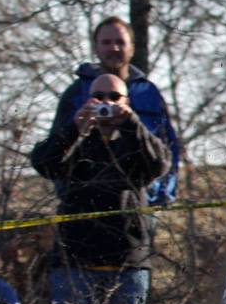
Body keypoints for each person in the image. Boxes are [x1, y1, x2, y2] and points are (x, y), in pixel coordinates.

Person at [29, 71, 172, 304]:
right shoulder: (76, 140)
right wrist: (74, 129)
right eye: (99, 98)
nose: (107, 105)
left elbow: (160, 164)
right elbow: (44, 163)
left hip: (128, 263)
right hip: (75, 261)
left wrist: (133, 123)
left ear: (127, 103)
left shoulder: (135, 139)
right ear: (87, 101)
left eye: (114, 98)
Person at [46, 17, 183, 207]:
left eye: (120, 42)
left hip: (141, 205)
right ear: (96, 47)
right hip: (83, 209)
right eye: (107, 42)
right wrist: (68, 193)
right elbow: (55, 148)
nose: (114, 48)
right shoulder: (76, 94)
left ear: (132, 48)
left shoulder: (148, 93)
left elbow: (169, 146)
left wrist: (162, 195)